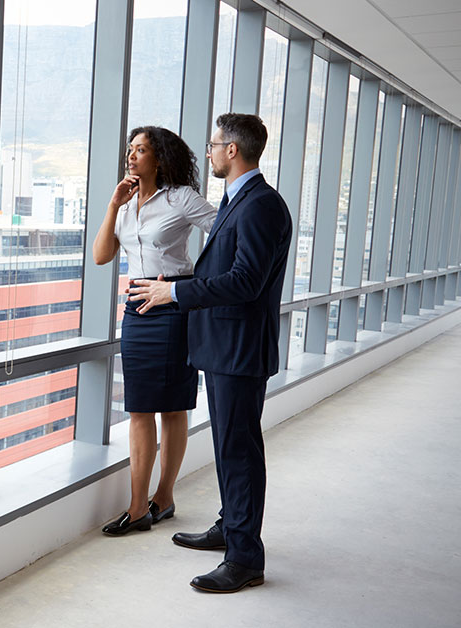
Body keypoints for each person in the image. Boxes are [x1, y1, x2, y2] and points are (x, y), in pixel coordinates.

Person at [129, 113, 292, 594]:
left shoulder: (260, 205)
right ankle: (231, 527)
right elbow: (225, 273)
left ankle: (244, 558)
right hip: (225, 347)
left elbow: (245, 282)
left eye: (215, 144)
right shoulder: (240, 201)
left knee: (238, 452)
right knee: (229, 448)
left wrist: (174, 297)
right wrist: (174, 285)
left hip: (238, 350)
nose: (208, 152)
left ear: (233, 151)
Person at [92, 126, 216, 536]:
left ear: (159, 158)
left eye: (140, 150)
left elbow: (225, 229)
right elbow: (101, 256)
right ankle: (137, 506)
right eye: (130, 149)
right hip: (135, 312)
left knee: (173, 406)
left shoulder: (180, 198)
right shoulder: (127, 205)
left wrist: (186, 286)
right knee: (138, 407)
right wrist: (113, 205)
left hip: (171, 309)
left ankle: (163, 497)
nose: (131, 156)